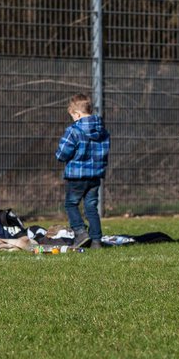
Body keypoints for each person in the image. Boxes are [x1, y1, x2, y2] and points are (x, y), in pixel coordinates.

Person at [55, 92, 110, 249]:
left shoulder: (73, 130)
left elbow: (62, 153)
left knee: (71, 204)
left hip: (77, 176)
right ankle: (96, 240)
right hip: (95, 176)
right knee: (91, 206)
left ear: (77, 114)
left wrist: (60, 155)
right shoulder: (102, 131)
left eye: (72, 115)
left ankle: (80, 232)